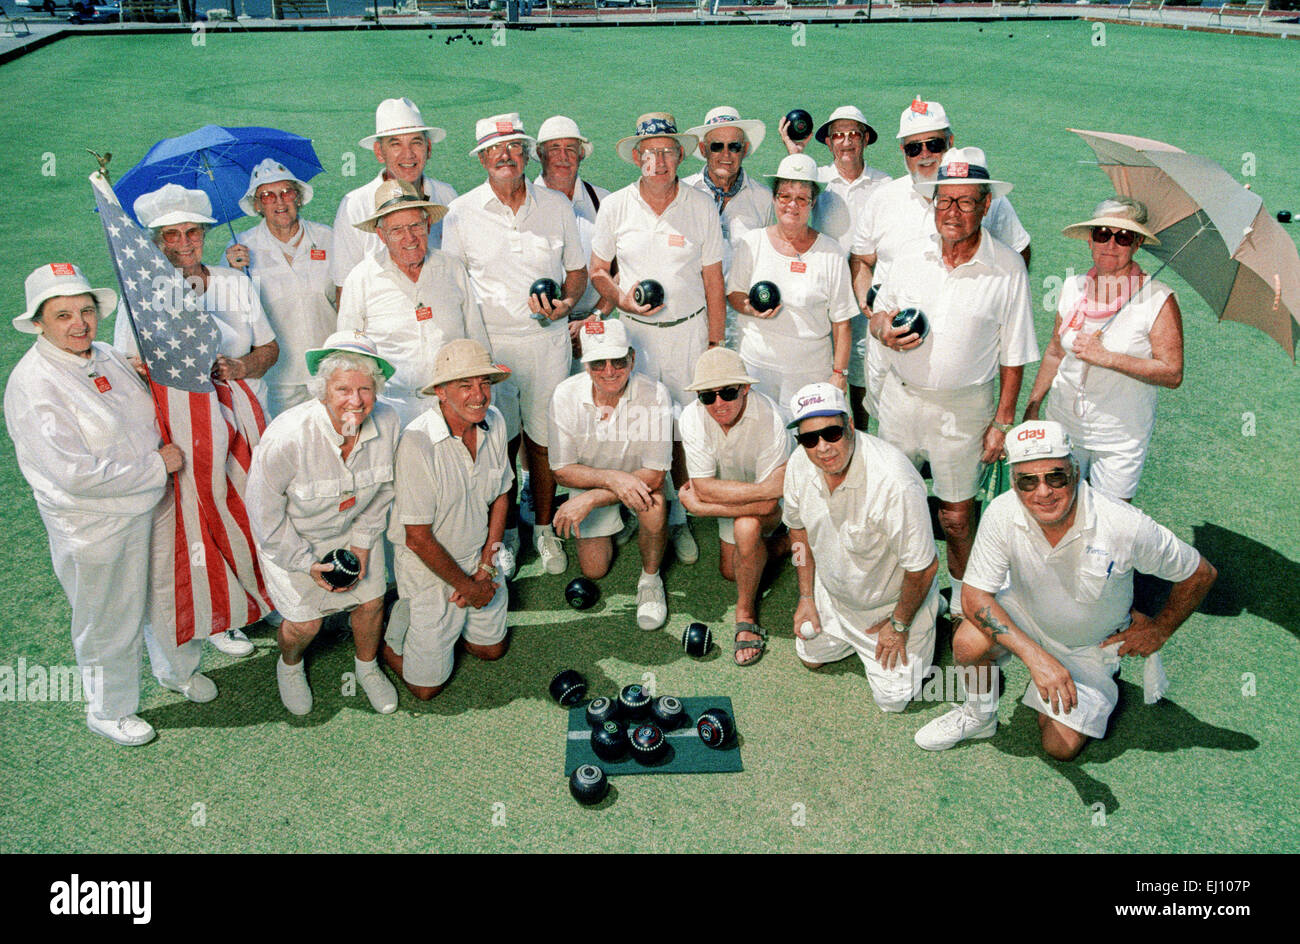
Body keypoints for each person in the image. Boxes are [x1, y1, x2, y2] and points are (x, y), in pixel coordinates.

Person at [913, 421, 1217, 760]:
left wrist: (1160, 629)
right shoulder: (1001, 512)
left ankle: (1090, 683)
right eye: (1028, 481)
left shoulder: (1125, 524)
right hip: (1026, 615)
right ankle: (979, 716)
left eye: (1054, 476)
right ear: (1014, 483)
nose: (1043, 492)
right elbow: (974, 598)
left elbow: (1200, 573)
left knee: (1060, 748)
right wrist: (1035, 657)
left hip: (1089, 645)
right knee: (967, 643)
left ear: (1074, 471)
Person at [6, 264, 187, 745]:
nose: (79, 323)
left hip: (151, 504)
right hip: (95, 527)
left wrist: (143, 378)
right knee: (108, 617)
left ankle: (177, 671)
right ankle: (109, 709)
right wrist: (156, 466)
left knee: (165, 594)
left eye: (85, 310)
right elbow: (74, 474)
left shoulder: (105, 354)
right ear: (39, 322)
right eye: (62, 314)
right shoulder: (33, 385)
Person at [869, 148, 1039, 622]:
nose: (953, 212)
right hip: (901, 400)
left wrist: (1002, 421)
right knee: (893, 505)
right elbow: (882, 312)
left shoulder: (1008, 268)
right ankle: (901, 595)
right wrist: (883, 328)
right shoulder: (909, 255)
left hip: (966, 410)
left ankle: (965, 601)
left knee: (957, 518)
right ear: (933, 203)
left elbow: (1015, 352)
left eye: (966, 202)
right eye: (945, 201)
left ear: (987, 206)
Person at [114, 182, 279, 658]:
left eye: (192, 233)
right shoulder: (141, 297)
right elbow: (129, 365)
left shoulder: (234, 281)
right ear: (156, 242)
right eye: (172, 235)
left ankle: (264, 592)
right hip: (186, 427)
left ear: (204, 235)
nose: (184, 243)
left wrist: (241, 366)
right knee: (202, 513)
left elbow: (269, 347)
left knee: (252, 502)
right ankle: (222, 614)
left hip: (244, 418)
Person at [441, 113, 588, 577]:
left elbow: (577, 272)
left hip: (547, 344)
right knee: (498, 446)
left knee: (544, 444)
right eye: (494, 150)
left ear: (525, 154)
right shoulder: (461, 212)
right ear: (483, 158)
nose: (505, 156)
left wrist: (565, 304)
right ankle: (501, 536)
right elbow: (454, 286)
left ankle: (543, 527)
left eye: (513, 148)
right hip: (491, 351)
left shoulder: (556, 205)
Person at [591, 112, 727, 565]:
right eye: (651, 152)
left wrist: (715, 344)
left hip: (689, 331)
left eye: (669, 151)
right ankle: (643, 508)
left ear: (681, 155)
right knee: (643, 428)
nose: (660, 160)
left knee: (687, 429)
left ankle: (680, 517)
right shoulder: (614, 206)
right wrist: (621, 299)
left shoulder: (700, 205)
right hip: (636, 336)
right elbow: (597, 271)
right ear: (637, 157)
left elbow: (713, 280)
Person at [246, 332, 400, 717]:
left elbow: (385, 488)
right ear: (322, 390)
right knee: (306, 626)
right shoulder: (287, 436)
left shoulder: (390, 421)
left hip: (355, 530)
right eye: (343, 389)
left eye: (365, 388)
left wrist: (363, 542)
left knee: (371, 602)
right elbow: (264, 515)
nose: (355, 401)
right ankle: (290, 665)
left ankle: (366, 668)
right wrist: (303, 563)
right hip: (294, 539)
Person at [851, 98, 1032, 416]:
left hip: (961, 357)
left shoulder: (988, 198)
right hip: (891, 341)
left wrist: (989, 305)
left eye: (933, 144)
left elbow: (1019, 252)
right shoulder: (883, 199)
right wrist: (870, 307)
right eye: (913, 148)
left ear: (950, 143)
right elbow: (862, 259)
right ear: (903, 153)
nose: (924, 155)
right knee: (894, 437)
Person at [782, 383, 940, 712]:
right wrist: (806, 597)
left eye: (832, 433)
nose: (822, 447)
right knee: (808, 656)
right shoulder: (800, 463)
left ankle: (928, 615)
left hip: (891, 609)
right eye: (810, 438)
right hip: (835, 599)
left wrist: (898, 625)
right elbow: (797, 532)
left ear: (850, 426)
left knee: (892, 700)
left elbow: (923, 567)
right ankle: (848, 634)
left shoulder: (894, 482)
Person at [1023, 198, 1184, 502]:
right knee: (1057, 512)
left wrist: (1107, 358)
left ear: (1136, 244)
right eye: (1102, 234)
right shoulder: (1073, 286)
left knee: (1113, 530)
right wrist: (1033, 403)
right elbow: (1056, 352)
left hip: (1120, 437)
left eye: (1123, 237)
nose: (1111, 244)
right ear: (1090, 239)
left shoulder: (1157, 298)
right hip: (1063, 424)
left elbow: (1172, 373)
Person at [382, 340, 513, 700]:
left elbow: (503, 493)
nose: (479, 395)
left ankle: (445, 633)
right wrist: (469, 589)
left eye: (484, 383)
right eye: (465, 385)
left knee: (491, 651)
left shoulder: (496, 421)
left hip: (479, 559)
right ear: (440, 392)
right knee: (426, 689)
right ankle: (394, 633)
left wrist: (487, 564)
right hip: (427, 569)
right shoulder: (417, 442)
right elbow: (417, 539)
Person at [548, 319, 674, 631]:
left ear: (632, 358)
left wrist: (592, 498)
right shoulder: (564, 395)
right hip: (599, 481)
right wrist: (613, 480)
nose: (609, 371)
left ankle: (650, 579)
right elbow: (562, 471)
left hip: (637, 481)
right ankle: (623, 518)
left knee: (655, 509)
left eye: (618, 361)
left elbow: (656, 475)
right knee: (594, 571)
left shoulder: (656, 394)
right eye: (597, 363)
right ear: (584, 365)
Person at [678, 348, 791, 666]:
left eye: (727, 392)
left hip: (766, 507)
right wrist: (711, 498)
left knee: (748, 527)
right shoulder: (691, 418)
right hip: (734, 498)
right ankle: (784, 544)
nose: (718, 404)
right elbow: (702, 486)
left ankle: (746, 612)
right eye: (707, 396)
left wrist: (704, 508)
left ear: (745, 388)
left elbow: (770, 503)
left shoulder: (771, 417)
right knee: (731, 571)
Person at [781, 104, 890, 432]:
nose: (846, 142)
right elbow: (789, 197)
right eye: (838, 135)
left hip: (866, 294)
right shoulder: (818, 179)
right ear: (827, 142)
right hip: (821, 294)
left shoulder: (885, 185)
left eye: (853, 134)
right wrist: (795, 152)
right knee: (824, 370)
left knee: (862, 373)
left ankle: (860, 439)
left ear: (865, 140)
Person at [726, 153, 856, 410]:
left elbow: (842, 322)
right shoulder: (752, 242)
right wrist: (751, 308)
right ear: (774, 199)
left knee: (805, 443)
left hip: (809, 372)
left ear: (813, 203)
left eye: (801, 198)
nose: (792, 205)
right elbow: (735, 294)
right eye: (785, 196)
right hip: (756, 367)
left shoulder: (830, 252)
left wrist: (839, 374)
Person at [224, 159, 337, 418]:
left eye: (286, 192)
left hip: (329, 372)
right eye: (267, 196)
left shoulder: (328, 238)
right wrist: (234, 274)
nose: (279, 201)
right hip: (277, 381)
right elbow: (233, 318)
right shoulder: (239, 248)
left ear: (298, 197)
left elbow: (347, 298)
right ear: (256, 205)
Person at [330, 97, 458, 296]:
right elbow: (345, 288)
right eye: (395, 144)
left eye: (416, 142)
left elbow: (458, 271)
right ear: (379, 152)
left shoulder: (447, 195)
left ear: (428, 148)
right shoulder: (353, 206)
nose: (408, 154)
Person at [533, 115, 611, 324]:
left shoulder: (604, 201)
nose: (563, 157)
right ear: (540, 154)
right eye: (554, 148)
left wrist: (595, 317)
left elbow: (621, 270)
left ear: (581, 154)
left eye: (570, 149)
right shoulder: (522, 204)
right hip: (538, 324)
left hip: (593, 323)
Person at [682, 106, 773, 279]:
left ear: (744, 150)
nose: (726, 154)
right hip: (693, 303)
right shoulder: (682, 192)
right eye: (717, 146)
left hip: (741, 304)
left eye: (734, 146)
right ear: (703, 149)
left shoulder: (764, 198)